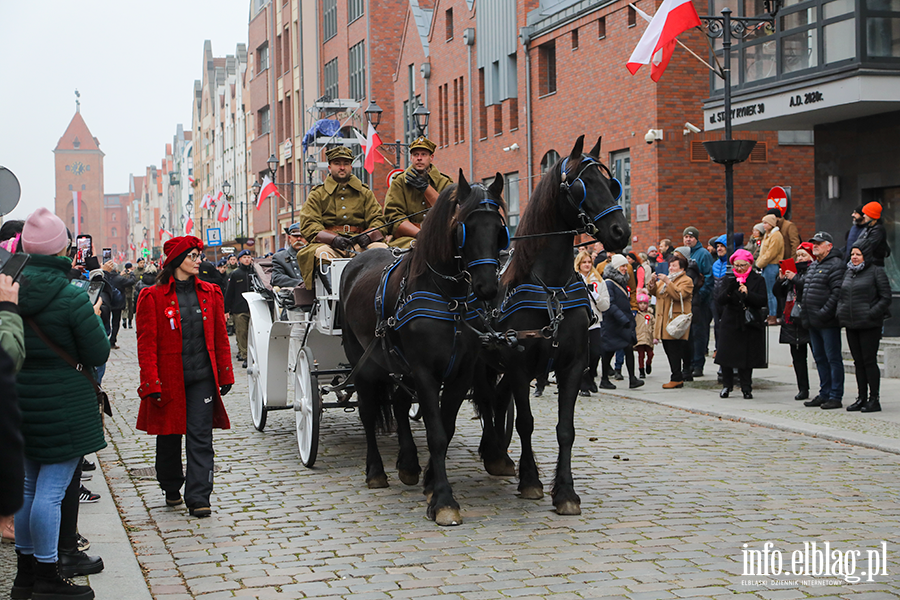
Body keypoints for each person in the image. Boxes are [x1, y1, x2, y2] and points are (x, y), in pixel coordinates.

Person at [13, 207, 109, 599]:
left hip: (20, 400)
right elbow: (98, 351)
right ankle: (49, 576)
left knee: (28, 488)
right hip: (64, 405)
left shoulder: (9, 289)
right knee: (51, 492)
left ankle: (24, 575)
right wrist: (95, 315)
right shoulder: (71, 297)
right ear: (63, 250)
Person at [135, 236, 234, 518]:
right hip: (169, 377)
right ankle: (170, 486)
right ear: (177, 260)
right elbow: (146, 343)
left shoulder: (211, 292)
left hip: (201, 376)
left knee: (200, 437)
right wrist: (151, 381)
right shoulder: (152, 296)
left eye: (198, 255)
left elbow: (219, 337)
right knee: (169, 435)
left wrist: (225, 372)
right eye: (193, 256)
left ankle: (199, 496)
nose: (198, 260)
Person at [296, 146, 388, 288]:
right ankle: (335, 296)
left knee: (381, 249)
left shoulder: (364, 193)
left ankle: (377, 294)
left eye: (345, 163)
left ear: (351, 166)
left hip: (359, 244)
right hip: (330, 246)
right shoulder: (318, 194)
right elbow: (309, 224)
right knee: (322, 253)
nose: (342, 167)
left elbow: (378, 219)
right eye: (337, 163)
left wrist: (368, 236)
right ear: (329, 167)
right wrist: (333, 239)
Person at [837, 244, 892, 413]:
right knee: (858, 362)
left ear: (866, 256)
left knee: (869, 361)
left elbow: (885, 297)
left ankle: (874, 398)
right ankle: (861, 397)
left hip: (869, 324)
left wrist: (871, 313)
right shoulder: (849, 272)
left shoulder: (876, 272)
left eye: (858, 254)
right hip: (851, 323)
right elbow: (842, 295)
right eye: (852, 254)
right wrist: (841, 311)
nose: (854, 257)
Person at [714, 249, 768, 399]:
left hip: (748, 322)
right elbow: (720, 299)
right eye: (736, 265)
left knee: (746, 358)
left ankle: (746, 387)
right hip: (730, 321)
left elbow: (762, 300)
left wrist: (748, 293)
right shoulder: (728, 279)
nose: (739, 268)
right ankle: (727, 385)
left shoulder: (757, 280)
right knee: (726, 356)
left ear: (749, 264)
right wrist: (730, 290)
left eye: (742, 265)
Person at [801, 232, 846, 410]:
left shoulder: (836, 265)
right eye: (814, 243)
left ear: (829, 246)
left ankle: (835, 395)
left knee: (832, 358)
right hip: (812, 321)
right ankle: (824, 392)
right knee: (819, 358)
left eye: (819, 243)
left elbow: (836, 293)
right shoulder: (813, 265)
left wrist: (823, 312)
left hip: (827, 321)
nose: (815, 246)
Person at [383, 136, 453, 248]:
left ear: (432, 157)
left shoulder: (444, 182)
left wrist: (426, 188)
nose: (419, 158)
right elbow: (394, 217)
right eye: (416, 155)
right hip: (407, 239)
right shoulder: (399, 182)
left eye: (424, 154)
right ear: (411, 158)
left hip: (440, 237)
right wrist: (420, 234)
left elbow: (450, 212)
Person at [774, 242, 814, 400]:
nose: (800, 258)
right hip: (791, 318)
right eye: (798, 256)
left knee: (818, 355)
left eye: (804, 255)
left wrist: (795, 278)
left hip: (808, 316)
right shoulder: (792, 271)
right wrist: (781, 279)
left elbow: (810, 287)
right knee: (797, 357)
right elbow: (778, 293)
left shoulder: (813, 269)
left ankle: (829, 390)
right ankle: (803, 388)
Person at [648, 254, 693, 389]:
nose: (671, 268)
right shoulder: (666, 279)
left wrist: (668, 282)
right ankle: (676, 376)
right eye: (670, 265)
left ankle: (677, 377)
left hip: (676, 321)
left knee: (675, 350)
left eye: (674, 265)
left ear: (682, 268)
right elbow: (655, 292)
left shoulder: (686, 280)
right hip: (664, 320)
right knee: (669, 349)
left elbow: (679, 295)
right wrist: (651, 282)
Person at [599, 255, 643, 390]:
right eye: (622, 266)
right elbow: (610, 304)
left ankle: (632, 378)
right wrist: (622, 318)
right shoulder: (609, 283)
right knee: (608, 351)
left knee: (628, 349)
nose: (625, 269)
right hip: (613, 323)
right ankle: (604, 378)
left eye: (626, 266)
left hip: (623, 322)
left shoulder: (622, 281)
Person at [574, 250, 608, 395]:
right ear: (579, 264)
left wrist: (595, 296)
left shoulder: (599, 281)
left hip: (594, 322)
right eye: (584, 262)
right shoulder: (574, 279)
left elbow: (606, 305)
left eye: (589, 262)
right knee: (580, 355)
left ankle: (590, 377)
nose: (587, 265)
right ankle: (584, 385)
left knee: (595, 353)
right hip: (577, 324)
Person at [682, 226, 713, 378]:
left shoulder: (703, 254)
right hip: (686, 301)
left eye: (691, 237)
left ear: (696, 238)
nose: (688, 239)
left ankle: (698, 364)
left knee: (699, 333)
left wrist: (701, 296)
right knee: (688, 335)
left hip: (699, 301)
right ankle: (689, 363)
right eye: (686, 237)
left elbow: (708, 277)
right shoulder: (683, 254)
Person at [224, 250, 253, 367]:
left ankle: (254, 355)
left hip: (253, 308)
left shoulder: (255, 272)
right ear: (240, 260)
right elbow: (229, 293)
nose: (247, 259)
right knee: (241, 333)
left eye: (249, 257)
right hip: (239, 308)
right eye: (244, 257)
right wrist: (226, 309)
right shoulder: (235, 274)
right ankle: (245, 356)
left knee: (254, 333)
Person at [756, 213, 785, 325]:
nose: (763, 225)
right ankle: (770, 314)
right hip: (766, 266)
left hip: (771, 265)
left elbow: (771, 253)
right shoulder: (768, 235)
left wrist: (759, 263)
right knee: (767, 292)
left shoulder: (776, 236)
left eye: (766, 223)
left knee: (771, 292)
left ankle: (773, 315)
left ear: (772, 224)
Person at [854, 201, 891, 267]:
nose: (864, 216)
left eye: (866, 214)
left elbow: (867, 246)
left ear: (871, 216)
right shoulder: (869, 227)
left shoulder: (878, 229)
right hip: (868, 263)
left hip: (874, 264)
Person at [271, 223, 306, 288]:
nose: (298, 239)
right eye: (295, 236)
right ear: (290, 238)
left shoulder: (314, 255)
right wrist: (299, 283)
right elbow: (276, 278)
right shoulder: (280, 257)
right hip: (292, 294)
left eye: (302, 236)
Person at [634, 293, 655, 378]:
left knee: (650, 354)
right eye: (640, 303)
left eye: (644, 303)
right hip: (639, 338)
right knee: (641, 355)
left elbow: (654, 326)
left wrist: (655, 337)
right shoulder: (636, 315)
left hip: (648, 338)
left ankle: (648, 363)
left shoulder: (650, 315)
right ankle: (641, 370)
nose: (642, 305)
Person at [121, 262, 137, 329]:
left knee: (127, 308)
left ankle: (125, 320)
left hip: (126, 293)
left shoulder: (123, 275)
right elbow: (133, 281)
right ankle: (128, 322)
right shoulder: (131, 275)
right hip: (129, 293)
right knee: (129, 308)